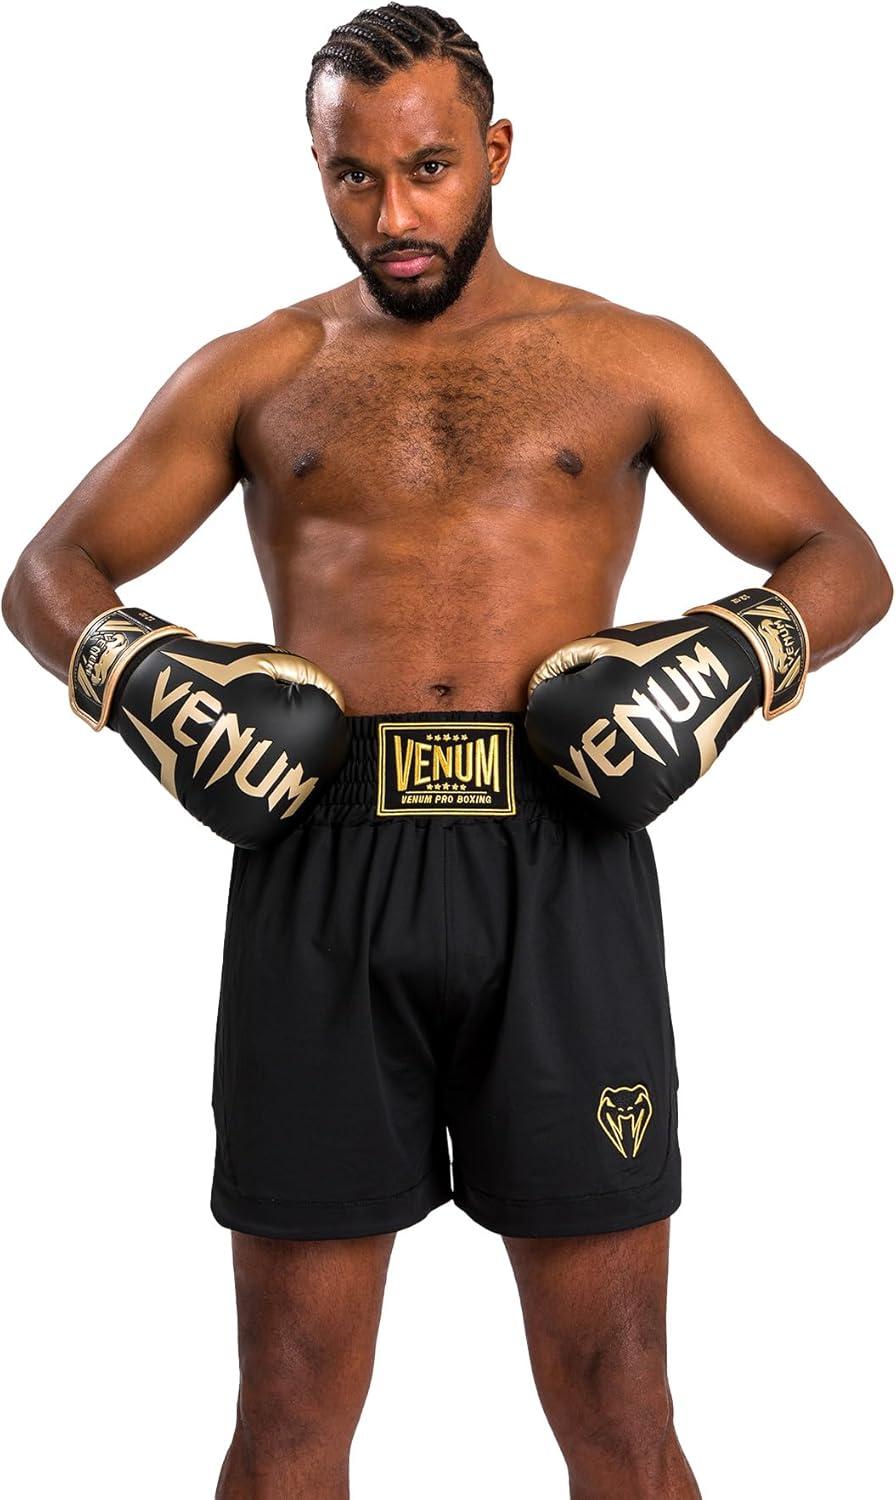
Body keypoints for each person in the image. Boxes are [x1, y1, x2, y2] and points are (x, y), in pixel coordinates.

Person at [3, 4, 891, 1496]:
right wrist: (154, 683)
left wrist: (718, 664)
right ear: (316, 165)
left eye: (427, 169)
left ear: (496, 152)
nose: (393, 217)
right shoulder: (259, 367)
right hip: (321, 861)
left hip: (562, 857)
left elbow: (842, 560)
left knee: (617, 1401)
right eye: (352, 176)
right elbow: (49, 572)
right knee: (290, 1405)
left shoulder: (627, 356)